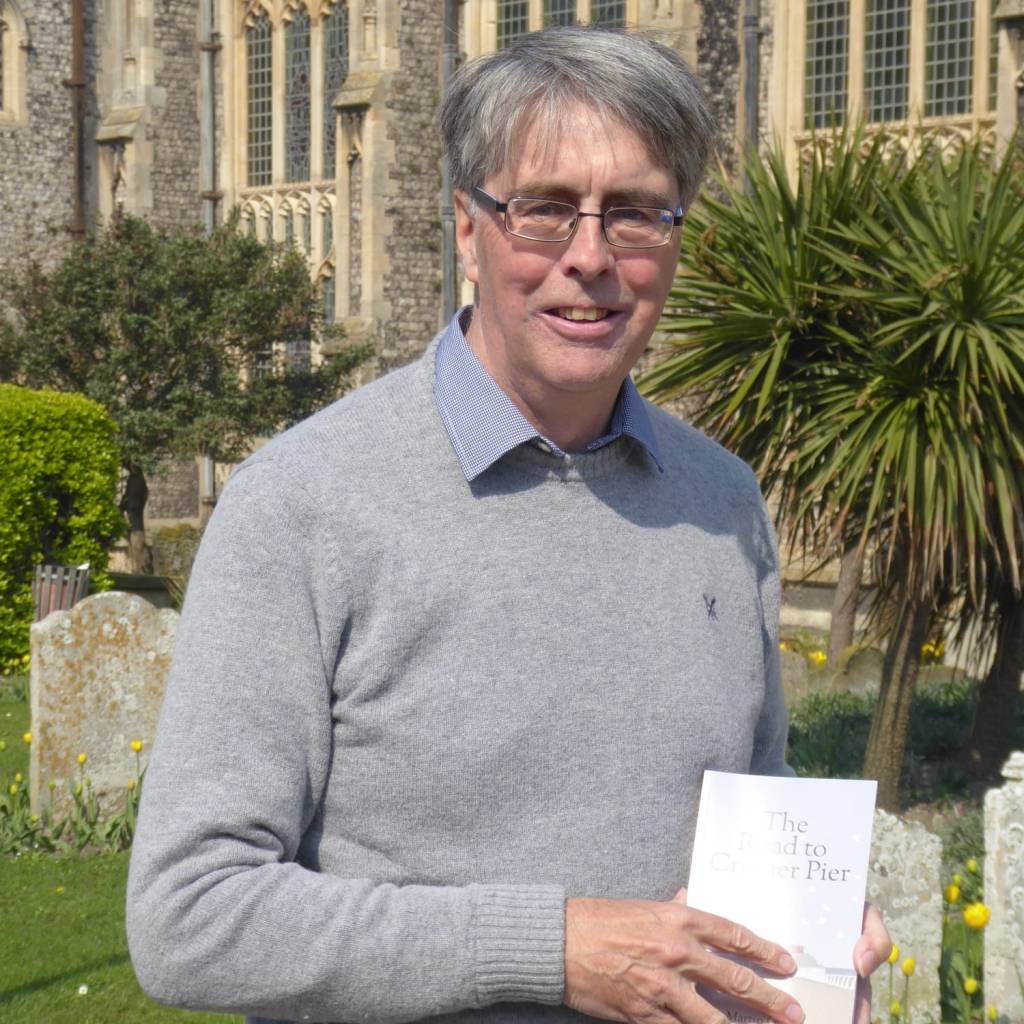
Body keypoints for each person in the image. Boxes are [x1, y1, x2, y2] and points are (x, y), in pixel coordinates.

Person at [127, 25, 889, 1024]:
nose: (590, 257)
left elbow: (753, 795)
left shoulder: (721, 500)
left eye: (634, 214)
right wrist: (554, 949)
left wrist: (809, 931)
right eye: (543, 210)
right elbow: (189, 916)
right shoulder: (300, 505)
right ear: (465, 228)